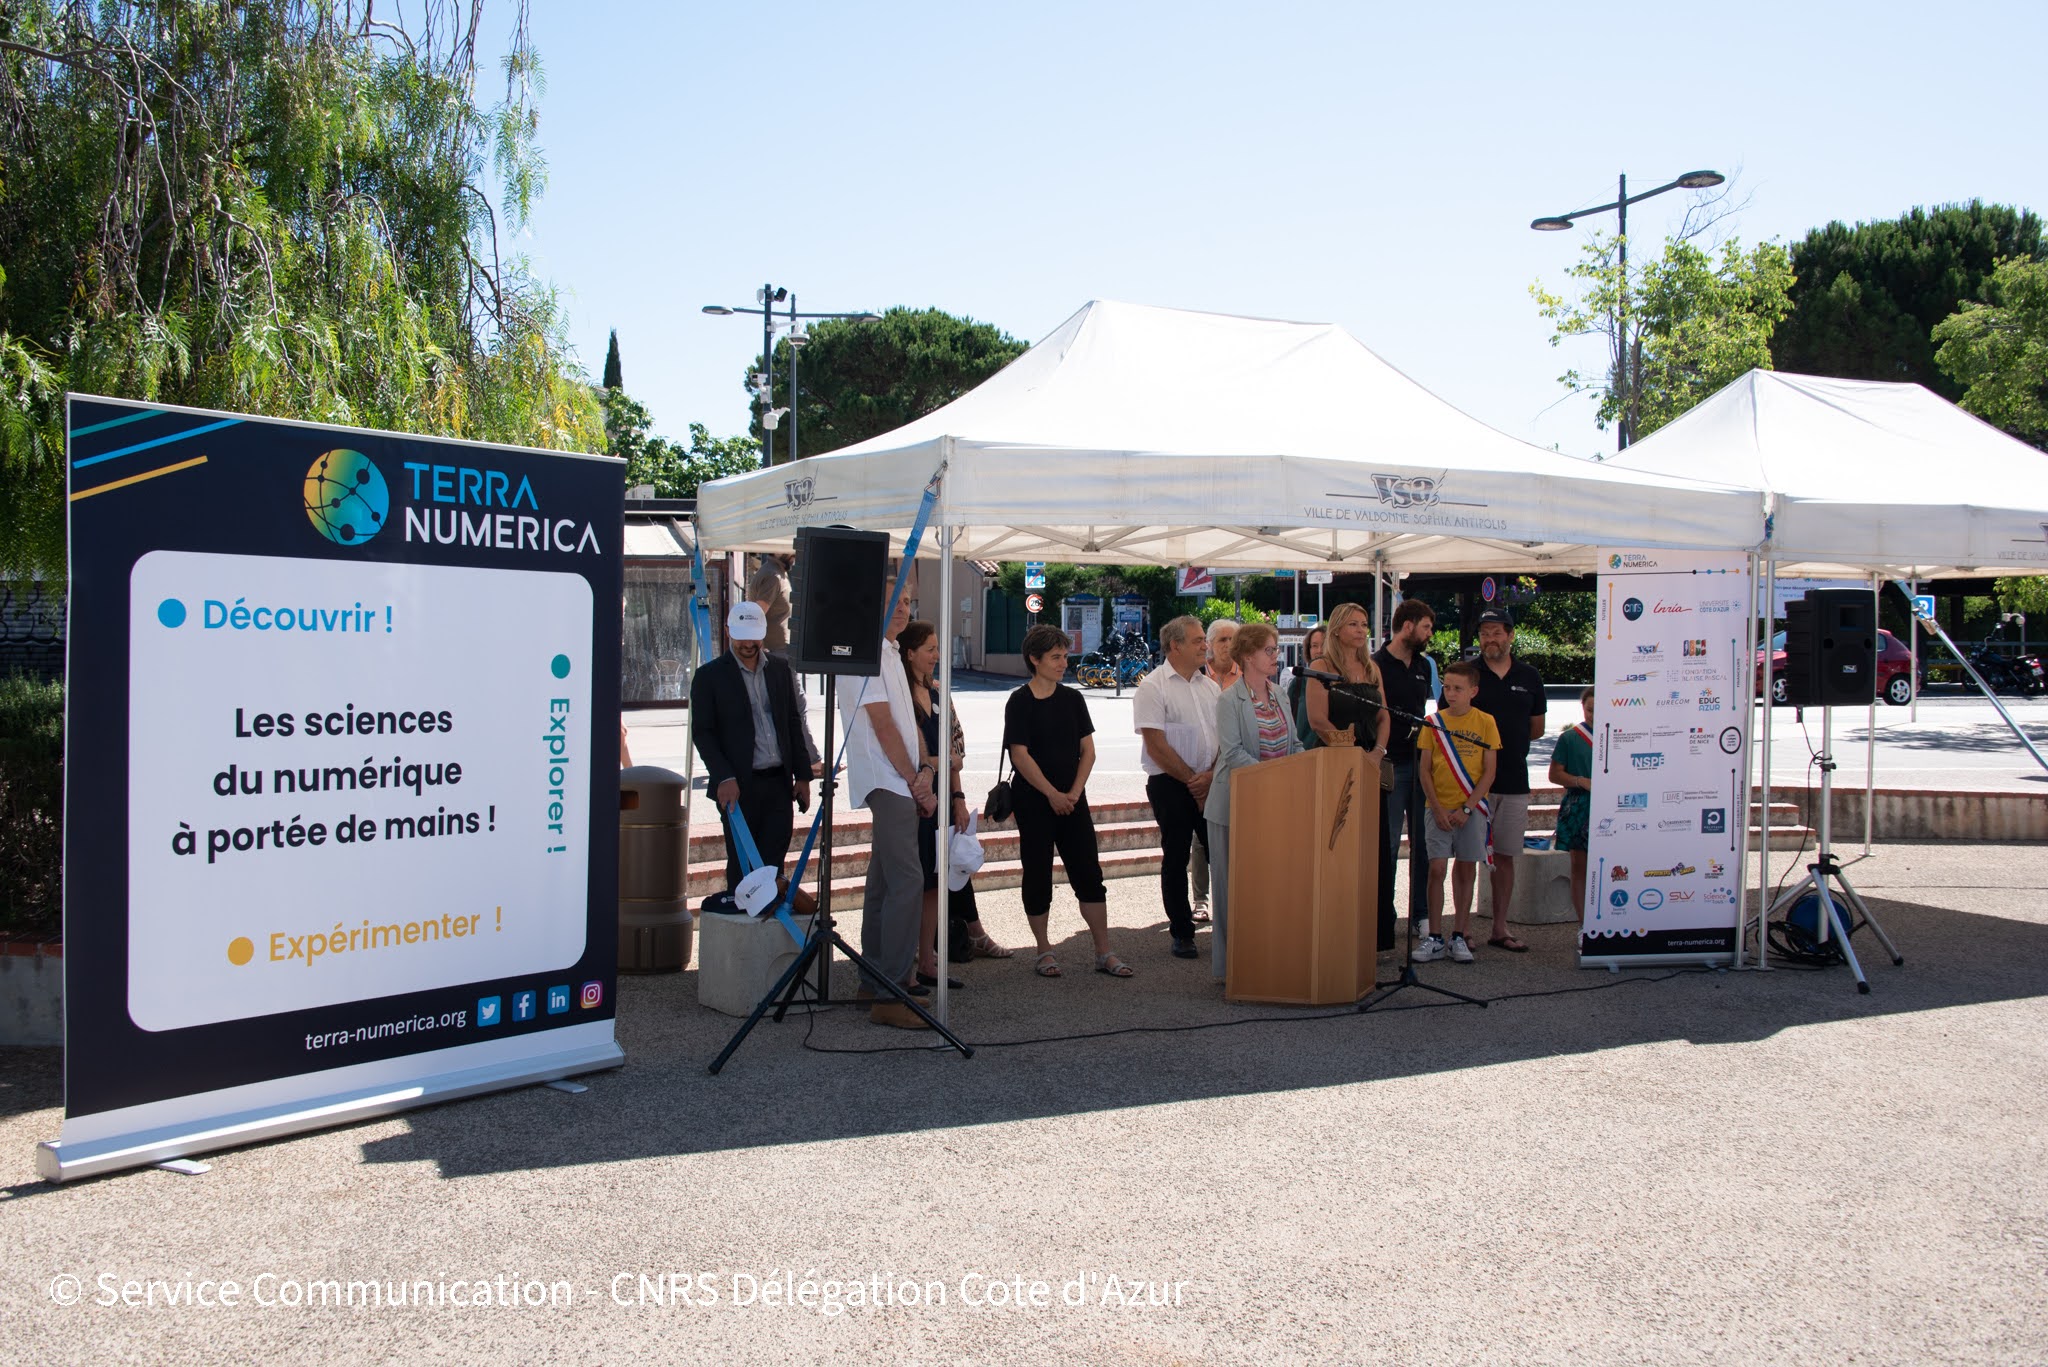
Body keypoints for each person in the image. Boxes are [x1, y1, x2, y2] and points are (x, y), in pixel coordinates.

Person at [1004, 624, 1130, 979]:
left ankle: (1103, 951)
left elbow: (1087, 750)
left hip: (1074, 799)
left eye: (1065, 656)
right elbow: (1020, 755)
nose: (1064, 663)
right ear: (1035, 659)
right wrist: (1051, 793)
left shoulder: (1073, 699)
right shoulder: (1020, 701)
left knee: (1089, 872)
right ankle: (1043, 950)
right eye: (1056, 657)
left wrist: (1073, 792)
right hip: (1034, 800)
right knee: (1038, 874)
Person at [839, 583, 937, 1029]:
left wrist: (922, 772)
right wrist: (914, 780)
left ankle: (873, 980)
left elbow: (905, 721)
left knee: (883, 884)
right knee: (906, 882)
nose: (904, 608)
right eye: (893, 601)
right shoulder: (865, 655)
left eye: (906, 601)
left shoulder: (888, 652)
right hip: (887, 778)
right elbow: (881, 725)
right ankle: (893, 991)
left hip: (900, 778)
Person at [899, 620, 1007, 983]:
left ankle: (929, 961)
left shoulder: (939, 693)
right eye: (930, 648)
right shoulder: (898, 693)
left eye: (937, 648)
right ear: (910, 652)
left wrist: (958, 798)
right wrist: (943, 762)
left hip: (941, 799)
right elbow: (918, 754)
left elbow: (956, 751)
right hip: (910, 800)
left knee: (935, 881)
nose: (937, 655)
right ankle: (910, 956)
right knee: (914, 880)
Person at [689, 602, 816, 894]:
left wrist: (804, 775)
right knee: (742, 865)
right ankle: (743, 931)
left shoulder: (780, 669)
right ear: (728, 633)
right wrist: (723, 776)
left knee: (774, 866)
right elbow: (703, 733)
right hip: (738, 787)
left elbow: (792, 721)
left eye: (754, 636)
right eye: (741, 636)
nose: (748, 644)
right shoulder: (709, 677)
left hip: (778, 785)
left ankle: (769, 932)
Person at [1204, 622, 1303, 983]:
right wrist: (1273, 778)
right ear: (1248, 656)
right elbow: (1232, 754)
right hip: (1232, 807)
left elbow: (1292, 743)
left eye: (1275, 650)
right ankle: (1230, 968)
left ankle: (1265, 959)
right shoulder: (1229, 700)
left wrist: (1307, 762)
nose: (1276, 656)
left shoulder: (1280, 693)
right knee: (1231, 891)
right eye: (1269, 651)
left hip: (1273, 807)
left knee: (1266, 886)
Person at [1305, 603, 1395, 947]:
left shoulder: (1371, 668)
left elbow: (1384, 716)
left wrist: (1376, 753)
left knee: (1374, 851)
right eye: (1354, 624)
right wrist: (1349, 754)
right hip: (1336, 764)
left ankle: (1378, 938)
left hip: (1371, 764)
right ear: (1338, 628)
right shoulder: (1321, 667)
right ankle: (1335, 936)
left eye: (1365, 625)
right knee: (1338, 847)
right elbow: (1317, 720)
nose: (1361, 630)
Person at [1132, 615, 1220, 961]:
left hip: (1209, 782)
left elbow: (1223, 738)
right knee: (1176, 856)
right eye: (1198, 640)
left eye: (1204, 639)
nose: (1205, 645)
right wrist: (1193, 782)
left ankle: (1230, 924)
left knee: (1221, 854)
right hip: (1171, 784)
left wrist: (1210, 777)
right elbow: (1156, 745)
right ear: (1175, 646)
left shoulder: (1209, 686)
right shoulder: (1153, 687)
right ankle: (1182, 932)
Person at [1415, 660, 1499, 964]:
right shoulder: (1433, 721)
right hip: (1436, 807)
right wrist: (1437, 808)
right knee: (1436, 869)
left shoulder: (1486, 722)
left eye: (1458, 688)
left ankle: (1459, 935)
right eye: (1447, 687)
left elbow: (1489, 772)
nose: (1451, 693)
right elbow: (1425, 770)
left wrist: (1467, 807)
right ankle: (1434, 936)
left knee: (1465, 869)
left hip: (1472, 809)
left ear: (1473, 691)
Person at [1471, 608, 1545, 954]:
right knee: (1467, 855)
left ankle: (1500, 927)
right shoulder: (1468, 674)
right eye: (1485, 633)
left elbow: (1537, 727)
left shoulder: (1529, 676)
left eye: (1497, 632)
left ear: (1511, 636)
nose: (1490, 639)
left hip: (1514, 779)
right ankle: (1462, 931)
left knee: (1506, 856)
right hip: (1470, 783)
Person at [1373, 599, 1437, 938]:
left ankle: (1421, 914)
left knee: (1423, 844)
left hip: (1421, 762)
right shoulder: (1375, 664)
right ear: (1408, 625)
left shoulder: (1425, 666)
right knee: (1389, 844)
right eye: (1425, 627)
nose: (1429, 634)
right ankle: (1385, 915)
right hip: (1390, 763)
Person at [1189, 616, 1239, 922]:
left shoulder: (1245, 677)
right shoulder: (1194, 675)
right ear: (1209, 644)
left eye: (1233, 640)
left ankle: (1230, 898)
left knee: (1233, 836)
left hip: (1234, 767)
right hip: (1201, 769)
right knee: (1200, 838)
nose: (1228, 646)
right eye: (1222, 640)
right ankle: (1201, 899)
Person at [1548, 687, 1596, 924]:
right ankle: (1583, 924)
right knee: (1580, 866)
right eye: (1589, 710)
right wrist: (1580, 781)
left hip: (1614, 805)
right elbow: (1554, 775)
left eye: (1599, 710)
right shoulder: (1570, 738)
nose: (1594, 715)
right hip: (1579, 806)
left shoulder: (1621, 734)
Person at [747, 552, 795, 654]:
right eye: (791, 552)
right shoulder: (773, 576)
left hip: (778, 651)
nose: (794, 555)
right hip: (774, 653)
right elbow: (755, 617)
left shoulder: (776, 571)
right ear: (777, 552)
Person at [1287, 624, 1327, 742]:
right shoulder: (1298, 683)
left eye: (1324, 645)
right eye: (1314, 646)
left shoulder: (1341, 682)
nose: (1319, 651)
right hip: (1304, 754)